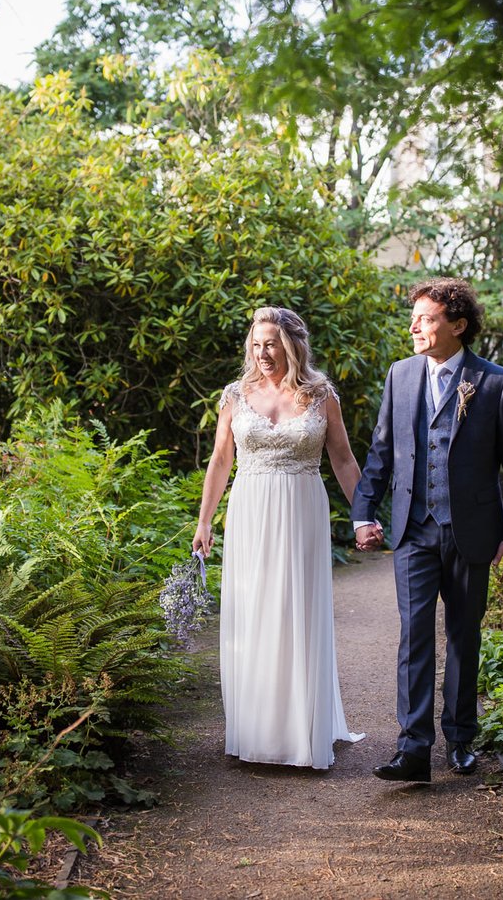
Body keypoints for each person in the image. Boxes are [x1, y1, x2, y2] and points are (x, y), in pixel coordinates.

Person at [351, 277, 503, 783]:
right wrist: (364, 512)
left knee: (463, 637)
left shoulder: (495, 383)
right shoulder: (401, 375)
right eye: (415, 317)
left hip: (473, 530)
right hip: (413, 529)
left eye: (426, 318)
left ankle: (460, 739)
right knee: (413, 637)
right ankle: (412, 748)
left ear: (458, 324)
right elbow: (381, 452)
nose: (414, 327)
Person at [193, 307, 367, 769]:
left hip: (301, 511)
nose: (262, 352)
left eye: (270, 343)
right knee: (254, 614)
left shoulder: (321, 395)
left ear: (292, 345)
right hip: (250, 512)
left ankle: (299, 731)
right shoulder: (236, 394)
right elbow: (220, 460)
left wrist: (363, 516)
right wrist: (205, 520)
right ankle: (256, 728)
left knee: (296, 612)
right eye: (255, 344)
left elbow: (344, 461)